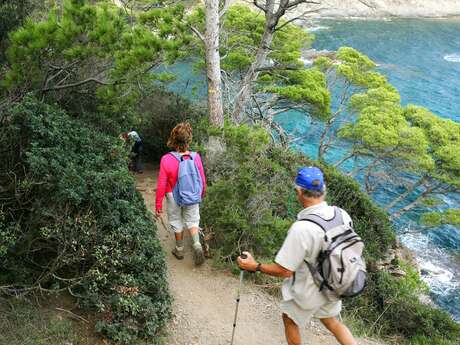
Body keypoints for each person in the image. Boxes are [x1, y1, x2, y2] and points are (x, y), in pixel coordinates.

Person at [237, 167, 357, 345]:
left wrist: (255, 266)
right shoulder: (341, 214)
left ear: (299, 191)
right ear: (323, 189)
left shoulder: (302, 228)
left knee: (290, 319)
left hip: (309, 289)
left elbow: (285, 270)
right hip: (334, 281)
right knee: (333, 322)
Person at [155, 122, 206, 266]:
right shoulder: (195, 157)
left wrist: (158, 205)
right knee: (193, 220)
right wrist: (200, 195)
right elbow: (202, 180)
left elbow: (161, 185)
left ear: (173, 139)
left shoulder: (166, 159)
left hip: (173, 195)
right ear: (188, 139)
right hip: (192, 194)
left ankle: (179, 249)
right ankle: (197, 244)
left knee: (177, 222)